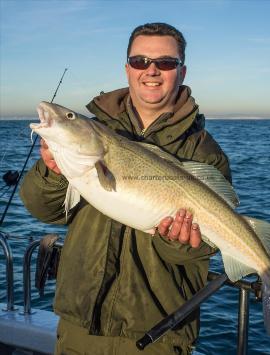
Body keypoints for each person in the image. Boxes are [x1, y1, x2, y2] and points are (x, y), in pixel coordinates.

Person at [20, 23, 232, 355]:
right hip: (79, 326)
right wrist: (53, 173)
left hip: (159, 334)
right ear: (127, 69)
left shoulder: (204, 152)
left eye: (165, 62)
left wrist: (178, 240)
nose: (152, 70)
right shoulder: (91, 135)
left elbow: (197, 252)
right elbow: (43, 210)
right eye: (140, 61)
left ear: (182, 70)